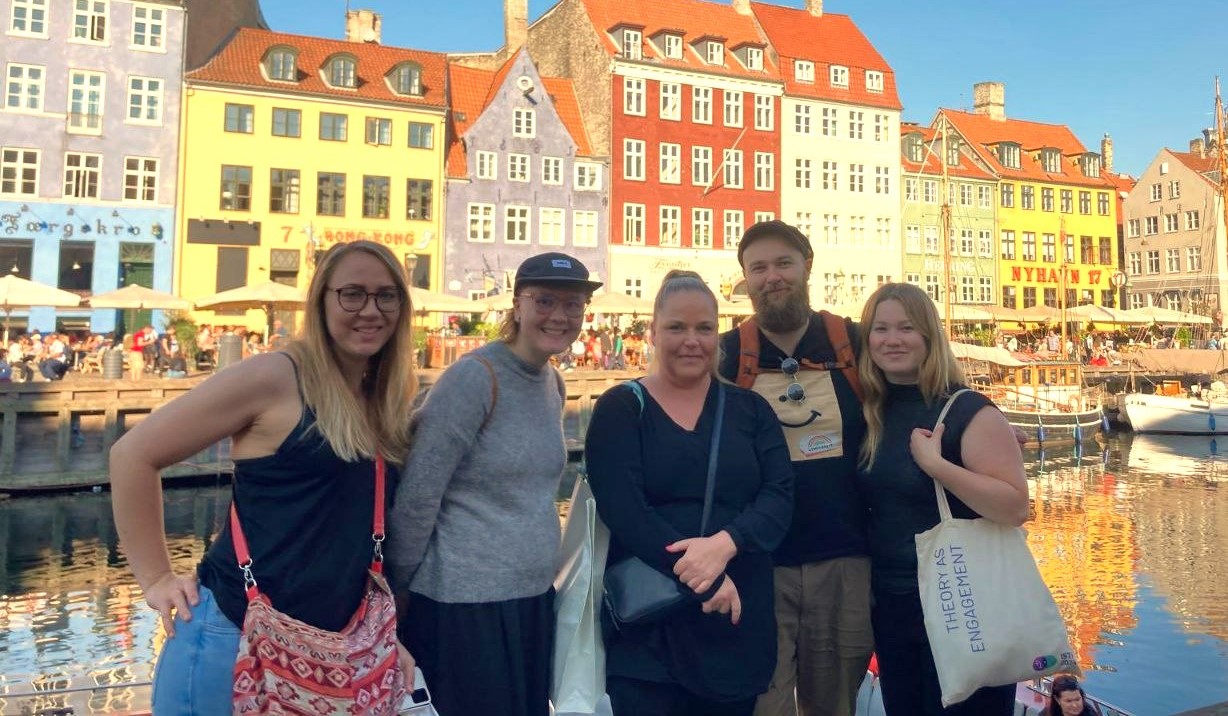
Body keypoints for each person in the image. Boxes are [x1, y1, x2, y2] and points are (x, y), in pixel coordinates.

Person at [110, 240, 418, 714]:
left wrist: (378, 638)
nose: (370, 310)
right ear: (321, 301)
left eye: (386, 295)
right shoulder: (277, 376)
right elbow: (133, 455)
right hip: (232, 640)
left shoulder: (380, 394)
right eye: (352, 294)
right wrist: (155, 579)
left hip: (327, 658)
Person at [387, 252, 601, 716]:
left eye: (573, 305)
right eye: (544, 301)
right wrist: (395, 589)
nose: (560, 315)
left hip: (529, 600)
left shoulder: (552, 382)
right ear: (517, 305)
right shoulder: (475, 378)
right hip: (464, 606)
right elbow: (420, 493)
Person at [585, 271, 793, 715]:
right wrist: (704, 575)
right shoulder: (622, 408)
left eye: (703, 328)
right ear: (653, 333)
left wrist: (726, 544)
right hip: (651, 626)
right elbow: (625, 510)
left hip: (734, 618)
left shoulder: (750, 410)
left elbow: (779, 496)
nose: (691, 340)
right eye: (676, 328)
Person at [717, 220, 874, 716]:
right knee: (764, 706)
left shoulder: (851, 341)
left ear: (808, 266)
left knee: (834, 706)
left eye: (784, 263)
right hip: (758, 565)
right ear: (746, 277)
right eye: (758, 267)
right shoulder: (726, 353)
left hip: (844, 559)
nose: (772, 277)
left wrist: (976, 417)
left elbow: (918, 386)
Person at [856, 282, 1028, 715]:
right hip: (894, 608)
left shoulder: (968, 409)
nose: (892, 340)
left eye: (906, 328)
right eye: (880, 329)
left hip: (962, 606)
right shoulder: (874, 411)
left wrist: (938, 468)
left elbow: (1014, 506)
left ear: (929, 336)